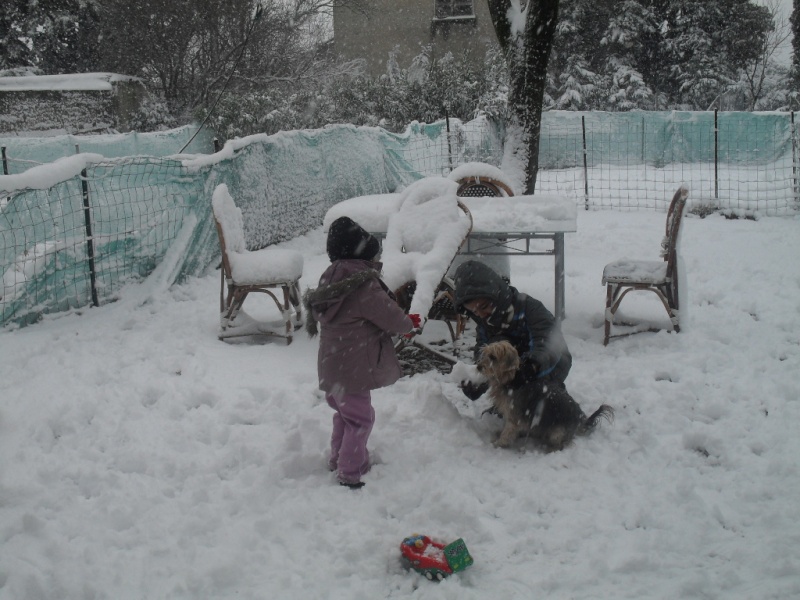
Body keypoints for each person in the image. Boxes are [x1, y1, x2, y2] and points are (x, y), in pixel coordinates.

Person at [304, 216, 420, 489]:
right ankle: (350, 470)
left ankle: (338, 458)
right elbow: (389, 316)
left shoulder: (329, 279)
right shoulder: (362, 285)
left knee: (345, 416)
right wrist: (408, 324)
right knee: (361, 420)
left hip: (333, 369)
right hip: (354, 371)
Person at [453, 260, 572, 399]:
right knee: (496, 346)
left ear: (496, 296)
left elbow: (548, 344)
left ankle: (548, 394)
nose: (480, 314)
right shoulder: (484, 323)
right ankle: (514, 399)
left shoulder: (529, 308)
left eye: (484, 307)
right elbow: (484, 356)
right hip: (513, 368)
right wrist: (479, 381)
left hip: (551, 363)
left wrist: (531, 367)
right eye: (474, 311)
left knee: (537, 397)